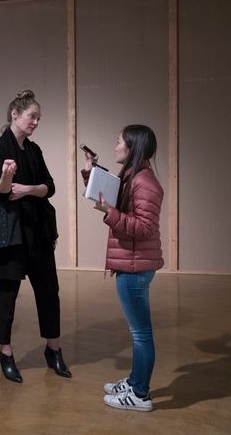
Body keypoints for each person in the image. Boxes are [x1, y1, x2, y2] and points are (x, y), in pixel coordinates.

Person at [0, 90, 71, 383]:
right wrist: (7, 178)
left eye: (38, 118)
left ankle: (53, 349)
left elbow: (50, 187)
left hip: (38, 232)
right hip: (10, 234)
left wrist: (27, 190)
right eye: (32, 116)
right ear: (15, 114)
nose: (35, 122)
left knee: (49, 291)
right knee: (6, 295)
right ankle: (5, 352)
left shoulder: (34, 150)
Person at [81, 125, 163, 412]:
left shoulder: (144, 182)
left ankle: (139, 395)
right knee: (137, 332)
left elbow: (145, 227)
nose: (115, 146)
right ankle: (135, 381)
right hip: (132, 262)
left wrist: (109, 212)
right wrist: (91, 174)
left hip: (134, 267)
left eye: (119, 142)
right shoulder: (133, 175)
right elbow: (115, 199)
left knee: (141, 334)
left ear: (132, 147)